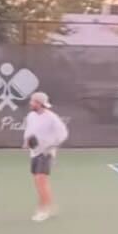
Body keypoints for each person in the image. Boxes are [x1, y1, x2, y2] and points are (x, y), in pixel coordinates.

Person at [22, 90, 68, 223]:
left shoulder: (52, 117)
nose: (30, 103)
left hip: (45, 153)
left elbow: (63, 134)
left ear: (39, 103)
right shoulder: (31, 115)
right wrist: (26, 141)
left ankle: (43, 210)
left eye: (33, 101)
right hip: (34, 152)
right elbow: (29, 131)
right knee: (39, 183)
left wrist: (51, 147)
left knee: (41, 181)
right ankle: (50, 207)